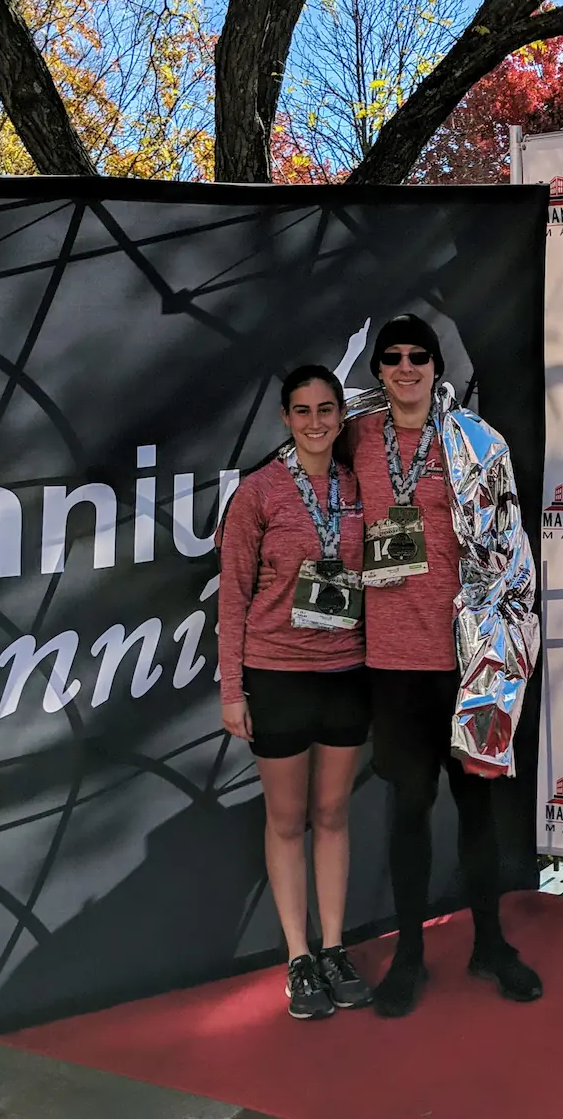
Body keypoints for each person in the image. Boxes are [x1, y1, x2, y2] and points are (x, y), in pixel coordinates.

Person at [348, 313, 543, 1017]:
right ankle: (408, 956)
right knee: (407, 808)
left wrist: (501, 639)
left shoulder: (476, 441)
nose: (406, 367)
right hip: (392, 661)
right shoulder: (353, 438)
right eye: (392, 357)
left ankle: (490, 944)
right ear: (377, 370)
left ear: (436, 367)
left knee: (476, 806)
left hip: (470, 660)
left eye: (418, 356)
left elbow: (507, 543)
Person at [218, 365, 373, 1021]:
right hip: (276, 672)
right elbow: (232, 593)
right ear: (285, 418)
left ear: (340, 415)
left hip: (346, 672)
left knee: (333, 814)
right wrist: (233, 689)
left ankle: (334, 948)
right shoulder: (259, 493)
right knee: (286, 820)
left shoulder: (358, 488)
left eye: (326, 409)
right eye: (302, 411)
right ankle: (298, 957)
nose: (315, 421)